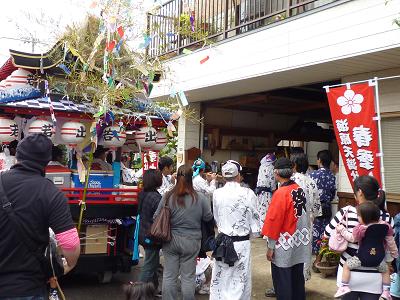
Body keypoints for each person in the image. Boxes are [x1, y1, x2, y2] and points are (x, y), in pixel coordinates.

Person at [0, 133, 80, 299]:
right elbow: (70, 244)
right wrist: (69, 265)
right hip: (27, 288)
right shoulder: (51, 193)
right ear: (46, 162)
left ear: (17, 157)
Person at [325, 175, 394, 300]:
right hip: (376, 276)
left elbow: (327, 233)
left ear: (360, 192)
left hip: (348, 276)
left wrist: (342, 231)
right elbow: (390, 245)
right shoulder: (387, 218)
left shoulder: (346, 212)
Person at [154, 164, 213, 300]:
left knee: (169, 275)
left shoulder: (168, 196)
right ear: (191, 178)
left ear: (177, 177)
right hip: (192, 241)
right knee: (188, 277)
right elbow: (208, 218)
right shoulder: (200, 198)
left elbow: (156, 216)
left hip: (170, 240)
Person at [210, 161, 260, 300]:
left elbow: (216, 217)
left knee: (221, 278)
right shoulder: (248, 193)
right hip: (241, 242)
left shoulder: (217, 193)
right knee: (240, 279)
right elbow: (255, 221)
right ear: (239, 175)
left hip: (222, 241)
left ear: (224, 176)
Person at [262, 157, 310, 300]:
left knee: (283, 282)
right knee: (297, 279)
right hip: (300, 241)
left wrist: (270, 247)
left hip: (284, 243)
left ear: (276, 173)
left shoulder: (280, 194)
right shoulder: (300, 189)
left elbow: (273, 221)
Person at [334, 202, 398, 299]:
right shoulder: (386, 226)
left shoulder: (360, 228)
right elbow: (391, 242)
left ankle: (344, 286)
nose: (357, 218)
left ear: (364, 217)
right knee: (385, 271)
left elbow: (352, 238)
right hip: (378, 259)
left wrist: (342, 230)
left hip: (362, 258)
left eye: (358, 216)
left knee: (347, 266)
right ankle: (386, 291)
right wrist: (394, 254)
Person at [290, 153, 322, 281]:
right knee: (304, 251)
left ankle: (288, 281)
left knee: (290, 251)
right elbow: (316, 209)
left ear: (295, 165)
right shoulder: (311, 182)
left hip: (291, 223)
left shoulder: (289, 181)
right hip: (307, 223)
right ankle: (301, 282)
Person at [138, 169, 163, 292]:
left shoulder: (143, 193)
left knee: (153, 262)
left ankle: (153, 289)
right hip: (152, 235)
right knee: (149, 265)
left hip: (143, 232)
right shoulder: (156, 197)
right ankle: (138, 292)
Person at [310, 150, 336, 257]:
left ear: (319, 160)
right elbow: (333, 193)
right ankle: (321, 255)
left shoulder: (313, 175)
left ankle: (315, 254)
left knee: (314, 230)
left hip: (315, 207)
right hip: (327, 207)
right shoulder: (332, 175)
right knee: (325, 231)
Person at [255, 153, 277, 231]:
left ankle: (259, 228)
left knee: (259, 209)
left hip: (259, 192)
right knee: (266, 210)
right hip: (267, 193)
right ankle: (264, 230)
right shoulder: (272, 169)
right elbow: (273, 182)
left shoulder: (261, 167)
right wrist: (275, 192)